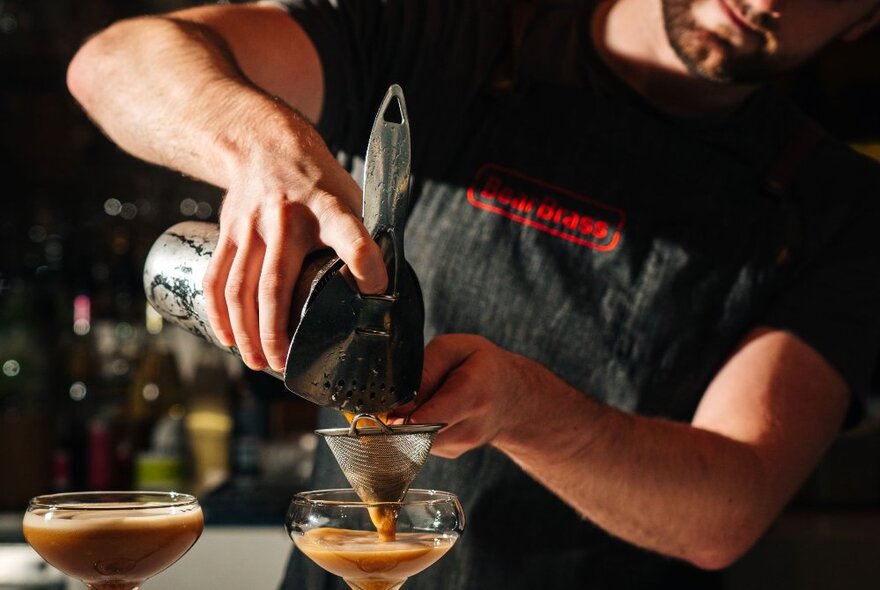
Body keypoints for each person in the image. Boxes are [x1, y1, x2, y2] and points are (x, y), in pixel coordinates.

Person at [67, 0, 880, 587]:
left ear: (865, 18)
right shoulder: (448, 35)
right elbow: (115, 62)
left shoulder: (836, 208)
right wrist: (260, 145)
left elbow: (725, 513)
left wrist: (529, 409)